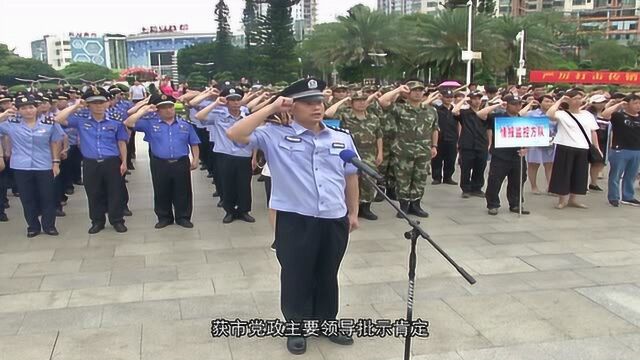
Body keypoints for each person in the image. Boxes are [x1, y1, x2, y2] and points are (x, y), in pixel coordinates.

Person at [227, 77, 359, 355]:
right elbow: (235, 134)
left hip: (333, 217)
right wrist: (270, 108)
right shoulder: (273, 135)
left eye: (320, 102)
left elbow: (351, 176)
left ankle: (326, 322)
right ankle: (296, 327)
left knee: (327, 272)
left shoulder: (341, 137)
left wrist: (354, 212)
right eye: (308, 103)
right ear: (291, 106)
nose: (317, 107)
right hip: (295, 219)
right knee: (296, 274)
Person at [54, 87, 129, 234]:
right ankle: (97, 221)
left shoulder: (115, 121)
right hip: (91, 162)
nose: (98, 106)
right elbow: (58, 119)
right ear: (88, 105)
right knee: (94, 193)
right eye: (94, 103)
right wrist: (76, 105)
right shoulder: (81, 119)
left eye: (101, 102)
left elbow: (121, 142)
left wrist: (124, 161)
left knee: (115, 192)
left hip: (111, 161)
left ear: (107, 103)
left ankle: (117, 220)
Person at [124, 93, 201, 228]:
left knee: (183, 191)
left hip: (181, 162)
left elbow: (194, 142)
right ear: (158, 110)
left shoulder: (185, 125)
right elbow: (128, 122)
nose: (168, 110)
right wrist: (144, 110)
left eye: (170, 106)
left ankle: (183, 217)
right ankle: (164, 217)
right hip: (160, 163)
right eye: (163, 107)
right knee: (161, 190)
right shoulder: (150, 124)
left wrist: (195, 159)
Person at [0, 95, 64, 237]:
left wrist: (56, 162)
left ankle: (49, 225)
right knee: (27, 198)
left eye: (31, 107)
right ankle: (33, 226)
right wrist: (4, 114)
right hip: (21, 166)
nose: (28, 111)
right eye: (23, 108)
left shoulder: (48, 123)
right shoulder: (11, 123)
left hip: (44, 165)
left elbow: (55, 142)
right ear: (18, 110)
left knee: (47, 196)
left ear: (37, 108)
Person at [378, 81, 439, 218]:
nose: (418, 93)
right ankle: (404, 206)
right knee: (403, 179)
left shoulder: (430, 110)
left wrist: (434, 146)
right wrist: (398, 90)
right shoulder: (400, 108)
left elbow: (434, 129)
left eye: (420, 90)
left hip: (423, 151)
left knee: (420, 179)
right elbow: (382, 101)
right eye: (414, 90)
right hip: (403, 150)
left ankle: (416, 205)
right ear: (408, 93)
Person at [195, 87, 255, 224]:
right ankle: (229, 211)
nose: (235, 103)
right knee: (227, 184)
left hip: (244, 154)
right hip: (224, 154)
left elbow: (255, 134)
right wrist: (216, 103)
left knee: (244, 184)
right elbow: (199, 116)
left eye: (237, 99)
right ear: (226, 102)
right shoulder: (218, 115)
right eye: (231, 100)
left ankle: (244, 211)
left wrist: (254, 156)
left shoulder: (247, 116)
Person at [329, 91, 383, 220]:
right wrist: (343, 100)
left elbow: (379, 136)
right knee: (350, 181)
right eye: (358, 100)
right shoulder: (344, 115)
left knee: (369, 181)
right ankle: (351, 208)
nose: (361, 103)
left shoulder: (373, 117)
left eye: (364, 100)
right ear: (351, 103)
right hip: (350, 154)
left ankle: (366, 208)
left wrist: (380, 153)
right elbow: (328, 115)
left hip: (369, 153)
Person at [546, 88, 601, 209]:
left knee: (579, 174)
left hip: (583, 147)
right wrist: (560, 100)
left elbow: (593, 132)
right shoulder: (562, 114)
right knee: (563, 174)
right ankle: (562, 200)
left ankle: (573, 199)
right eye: (574, 98)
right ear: (569, 100)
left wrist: (597, 147)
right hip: (565, 146)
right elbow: (549, 114)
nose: (577, 101)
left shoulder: (587, 115)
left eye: (579, 98)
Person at [485, 95, 530, 215]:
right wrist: (497, 105)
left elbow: (530, 137)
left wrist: (527, 148)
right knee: (495, 180)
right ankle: (493, 204)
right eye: (514, 104)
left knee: (518, 181)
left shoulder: (524, 120)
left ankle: (515, 204)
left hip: (518, 155)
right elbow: (480, 115)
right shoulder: (497, 117)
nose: (517, 106)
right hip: (500, 155)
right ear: (507, 105)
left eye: (519, 104)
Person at [602, 94, 640, 207]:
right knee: (616, 175)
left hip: (636, 149)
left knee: (631, 175)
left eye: (639, 103)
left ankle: (628, 196)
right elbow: (605, 114)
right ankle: (613, 197)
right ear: (627, 104)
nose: (638, 106)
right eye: (635, 103)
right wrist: (619, 104)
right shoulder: (619, 116)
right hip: (620, 149)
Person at [453, 91, 489, 198]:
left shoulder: (484, 113)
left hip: (481, 144)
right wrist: (463, 100)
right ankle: (466, 189)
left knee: (480, 168)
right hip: (467, 145)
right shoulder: (464, 113)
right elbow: (454, 111)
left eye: (479, 99)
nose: (477, 101)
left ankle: (477, 188)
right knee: (466, 168)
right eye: (474, 98)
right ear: (470, 100)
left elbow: (489, 129)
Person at [520, 95, 557, 194]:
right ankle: (534, 187)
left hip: (551, 142)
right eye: (546, 101)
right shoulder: (532, 113)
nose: (549, 103)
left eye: (551, 101)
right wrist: (530, 104)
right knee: (533, 164)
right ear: (540, 103)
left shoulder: (555, 114)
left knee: (550, 165)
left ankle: (551, 187)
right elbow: (520, 115)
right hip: (535, 141)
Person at [429, 89, 458, 185]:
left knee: (450, 159)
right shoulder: (437, 109)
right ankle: (437, 177)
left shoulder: (455, 110)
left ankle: (448, 177)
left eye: (451, 97)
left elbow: (459, 125)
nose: (449, 99)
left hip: (452, 137)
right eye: (447, 97)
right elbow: (426, 104)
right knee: (437, 159)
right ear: (442, 98)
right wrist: (435, 95)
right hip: (440, 138)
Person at [586, 94, 609, 192]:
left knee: (599, 162)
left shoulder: (607, 113)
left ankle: (593, 182)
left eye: (603, 102)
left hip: (604, 140)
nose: (602, 104)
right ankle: (583, 183)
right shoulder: (588, 114)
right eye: (599, 102)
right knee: (587, 162)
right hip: (590, 141)